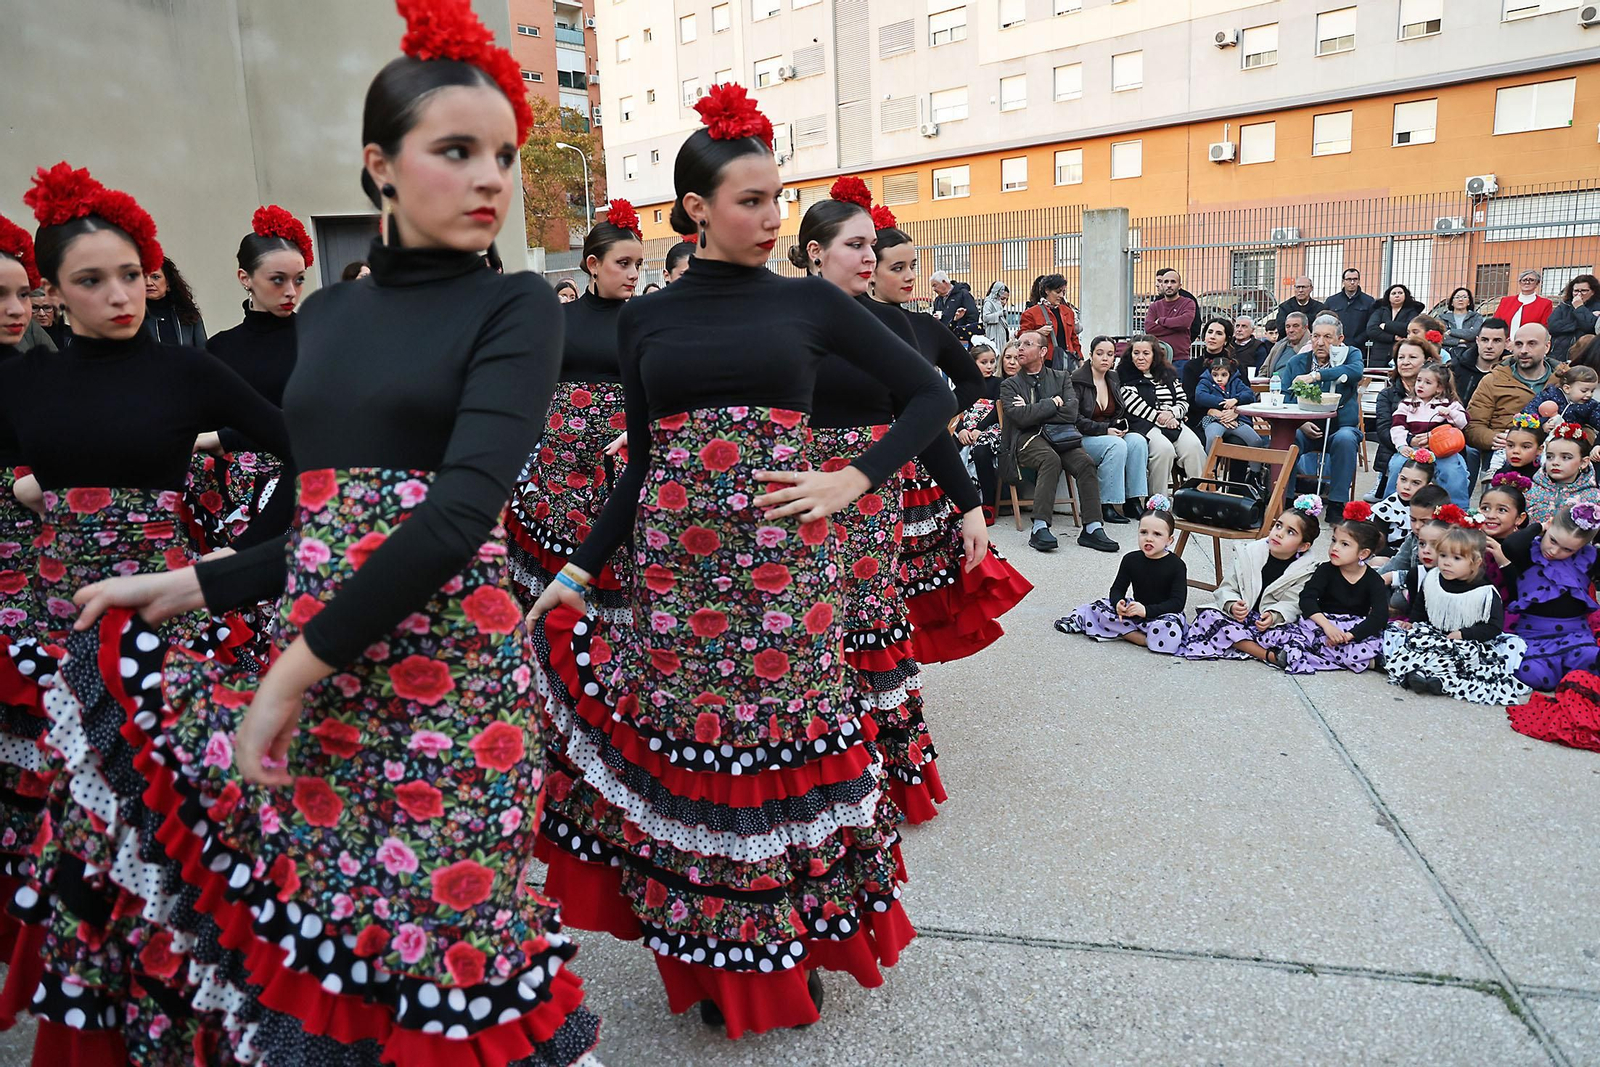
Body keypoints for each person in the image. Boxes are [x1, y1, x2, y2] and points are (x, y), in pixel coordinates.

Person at [38, 12, 612, 1062]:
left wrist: (288, 672)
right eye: (456, 150)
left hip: (447, 685)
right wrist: (188, 586)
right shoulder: (331, 321)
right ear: (379, 167)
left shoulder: (518, 305)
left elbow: (451, 517)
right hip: (328, 674)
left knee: (450, 951)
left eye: (502, 155)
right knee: (344, 942)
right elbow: (325, 526)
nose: (490, 178)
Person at [527, 82, 952, 1036]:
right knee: (697, 764)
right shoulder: (648, 319)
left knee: (780, 756)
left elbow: (929, 394)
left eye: (776, 197)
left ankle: (785, 954)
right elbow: (641, 462)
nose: (770, 217)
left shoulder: (810, 304)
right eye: (751, 201)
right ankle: (714, 963)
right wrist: (578, 570)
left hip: (786, 578)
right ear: (696, 211)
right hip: (673, 579)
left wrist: (853, 478)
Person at [0, 162, 297, 1060]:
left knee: (182, 821)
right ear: (52, 293)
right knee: (85, 837)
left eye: (131, 273)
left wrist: (247, 555)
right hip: (59, 635)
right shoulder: (20, 385)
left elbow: (310, 450)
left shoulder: (186, 373)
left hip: (169, 633)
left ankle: (204, 1017)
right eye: (91, 280)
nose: (119, 293)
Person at [792, 183, 1005, 822]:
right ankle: (812, 783)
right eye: (854, 245)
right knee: (802, 637)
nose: (869, 257)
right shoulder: (780, 317)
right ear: (812, 253)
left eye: (870, 246)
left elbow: (925, 419)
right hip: (793, 495)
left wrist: (968, 504)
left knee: (866, 630)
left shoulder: (891, 325)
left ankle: (875, 782)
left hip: (867, 494)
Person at [871, 225, 1030, 662]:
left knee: (914, 575)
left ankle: (897, 667)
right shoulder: (852, 321)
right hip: (867, 470)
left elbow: (973, 381)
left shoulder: (925, 326)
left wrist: (932, 415)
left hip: (920, 463)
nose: (909, 276)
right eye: (897, 267)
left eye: (913, 266)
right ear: (870, 268)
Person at [506, 200, 641, 618]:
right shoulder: (557, 319)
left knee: (616, 556)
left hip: (621, 462)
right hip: (560, 469)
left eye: (638, 263)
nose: (635, 273)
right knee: (558, 571)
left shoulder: (645, 320)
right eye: (624, 263)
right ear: (593, 264)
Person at [203, 204, 311, 542]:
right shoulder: (220, 348)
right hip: (229, 497)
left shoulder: (319, 338)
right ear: (244, 278)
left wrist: (222, 438)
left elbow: (317, 420)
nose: (291, 292)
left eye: (299, 280)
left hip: (303, 489)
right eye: (278, 280)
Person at [0, 214, 48, 949]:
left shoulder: (41, 372)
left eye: (21, 293)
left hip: (33, 577)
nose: (14, 308)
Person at [1001, 329, 1119, 552]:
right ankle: (1040, 527)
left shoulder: (1061, 377)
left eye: (1027, 344)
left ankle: (1092, 528)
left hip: (1061, 436)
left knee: (1085, 463)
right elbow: (1019, 418)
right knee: (1050, 459)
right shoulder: (1010, 385)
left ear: (1043, 351)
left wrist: (1033, 409)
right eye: (1019, 344)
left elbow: (1071, 413)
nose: (1020, 349)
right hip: (1027, 439)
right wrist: (1052, 403)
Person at [1383, 525, 1529, 703]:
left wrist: (1464, 634)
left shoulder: (1485, 592)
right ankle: (1419, 674)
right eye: (1443, 555)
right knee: (1412, 640)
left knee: (1464, 656)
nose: (1446, 562)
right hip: (1435, 633)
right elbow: (1421, 605)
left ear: (1475, 562)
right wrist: (1414, 622)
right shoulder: (1433, 578)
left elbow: (1493, 627)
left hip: (1466, 639)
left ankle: (1441, 680)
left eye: (1457, 558)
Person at [1177, 497, 1322, 664]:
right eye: (1278, 525)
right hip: (1239, 618)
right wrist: (1232, 604)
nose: (1279, 533)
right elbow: (1227, 587)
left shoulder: (1304, 570)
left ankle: (1239, 644)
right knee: (1209, 617)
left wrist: (1274, 615)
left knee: (1298, 637)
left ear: (1303, 546)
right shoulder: (1249, 553)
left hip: (1268, 624)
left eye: (1290, 532)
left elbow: (1293, 602)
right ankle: (1267, 655)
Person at [1261, 504, 1389, 673]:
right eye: (1334, 541)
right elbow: (1307, 599)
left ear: (1363, 554)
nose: (1335, 548)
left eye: (1345, 544)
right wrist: (1327, 626)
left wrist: (1350, 635)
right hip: (1322, 623)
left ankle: (1356, 656)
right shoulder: (1326, 570)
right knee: (1288, 637)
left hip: (1353, 628)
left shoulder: (1373, 580)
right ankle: (1364, 660)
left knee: (1384, 641)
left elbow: (1380, 616)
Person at [1054, 498, 1186, 651]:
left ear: (1169, 540)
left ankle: (1131, 635)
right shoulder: (1131, 559)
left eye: (1157, 534)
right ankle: (1137, 636)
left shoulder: (1176, 565)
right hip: (1134, 612)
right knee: (1096, 609)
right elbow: (1117, 589)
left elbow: (1177, 603)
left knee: (1171, 631)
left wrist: (1147, 611)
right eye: (1144, 532)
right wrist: (1118, 604)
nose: (1149, 538)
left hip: (1162, 616)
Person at [1501, 503, 1600, 692]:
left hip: (1575, 634)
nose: (1554, 551)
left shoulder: (1587, 559)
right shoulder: (1529, 552)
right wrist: (1540, 527)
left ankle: (1570, 671)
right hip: (1534, 633)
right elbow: (1509, 545)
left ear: (1579, 548)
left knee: (1591, 657)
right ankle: (1563, 673)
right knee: (1534, 676)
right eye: (1553, 540)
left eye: (1567, 549)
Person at [1276, 314, 1365, 519]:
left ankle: (1336, 503)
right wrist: (1300, 423)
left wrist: (1317, 375)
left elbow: (1355, 372)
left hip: (1340, 426)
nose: (1320, 342)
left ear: (1340, 340)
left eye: (1328, 337)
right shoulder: (1297, 362)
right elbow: (1285, 396)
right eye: (1316, 336)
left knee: (1345, 439)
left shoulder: (1350, 355)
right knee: (1288, 439)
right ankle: (1286, 500)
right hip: (1307, 427)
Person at [1117, 333, 1206, 499]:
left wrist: (1172, 413)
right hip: (1144, 425)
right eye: (1136, 353)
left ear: (1154, 355)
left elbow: (1183, 401)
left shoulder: (1168, 375)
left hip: (1173, 421)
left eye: (1146, 353)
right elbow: (1134, 405)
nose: (1140, 358)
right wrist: (1163, 418)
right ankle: (1158, 501)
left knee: (1194, 447)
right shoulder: (1124, 377)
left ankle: (1197, 499)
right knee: (1164, 450)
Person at [1072, 335, 1148, 524]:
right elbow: (1074, 419)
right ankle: (1107, 505)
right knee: (1116, 445)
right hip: (1084, 436)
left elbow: (1118, 411)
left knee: (1137, 441)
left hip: (1109, 433)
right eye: (1100, 354)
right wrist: (1105, 429)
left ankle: (1133, 501)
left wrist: (1120, 426)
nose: (1105, 358)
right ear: (1090, 355)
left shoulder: (1113, 377)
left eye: (1110, 354)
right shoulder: (1077, 380)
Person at [1467, 323, 1560, 470]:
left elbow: (1587, 420)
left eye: (1532, 344)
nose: (1523, 350)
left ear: (1547, 347)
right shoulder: (1493, 380)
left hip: (1557, 456)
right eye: (1518, 344)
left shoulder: (1565, 380)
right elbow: (1473, 426)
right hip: (1505, 454)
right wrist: (1493, 438)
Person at [1388, 356, 1470, 506]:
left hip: (1442, 450)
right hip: (1414, 449)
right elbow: (1397, 427)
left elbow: (1463, 423)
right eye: (1419, 380)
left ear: (1439, 387)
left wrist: (1449, 413)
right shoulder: (1407, 404)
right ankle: (1391, 504)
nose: (1420, 385)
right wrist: (1402, 444)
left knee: (1452, 471)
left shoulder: (1449, 404)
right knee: (1397, 465)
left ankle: (1458, 508)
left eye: (1427, 382)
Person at [1366, 337, 1425, 500]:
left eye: (1412, 357)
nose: (1405, 362)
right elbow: (1384, 430)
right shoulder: (1387, 394)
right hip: (1399, 448)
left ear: (1427, 361)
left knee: (1454, 468)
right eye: (1401, 357)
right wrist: (1410, 440)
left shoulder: (1441, 392)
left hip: (1433, 446)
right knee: (1399, 463)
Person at [1378, 483, 1452, 608]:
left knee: (1398, 599)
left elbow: (1433, 574)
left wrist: (1395, 577)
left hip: (1436, 593)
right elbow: (1397, 562)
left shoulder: (1448, 541)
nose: (1417, 526)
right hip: (1411, 583)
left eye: (1425, 521)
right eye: (1413, 520)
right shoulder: (1414, 536)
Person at [958, 335, 1003, 521]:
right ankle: (957, 501)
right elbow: (955, 408)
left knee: (981, 450)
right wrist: (961, 429)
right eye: (984, 362)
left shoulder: (1000, 383)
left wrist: (980, 428)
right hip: (966, 428)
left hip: (990, 428)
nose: (990, 366)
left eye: (992, 362)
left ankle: (988, 504)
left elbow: (996, 410)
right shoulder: (965, 384)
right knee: (947, 448)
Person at [1527, 422, 1600, 524]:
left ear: (1583, 462)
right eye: (1550, 457)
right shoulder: (1530, 490)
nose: (1555, 463)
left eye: (1566, 457)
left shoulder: (1594, 497)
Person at [1196, 352, 1266, 452]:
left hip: (1236, 420)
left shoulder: (1235, 382)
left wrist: (1236, 400)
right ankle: (1210, 467)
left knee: (1256, 441)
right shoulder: (1205, 382)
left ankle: (1256, 468)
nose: (1219, 379)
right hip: (1214, 419)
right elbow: (1200, 396)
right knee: (1213, 439)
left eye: (1224, 375)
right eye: (1215, 375)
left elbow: (1249, 394)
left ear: (1230, 374)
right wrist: (1224, 403)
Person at [1182, 316, 1239, 430]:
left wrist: (1236, 411)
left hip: (1233, 417)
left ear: (1226, 340)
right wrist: (1209, 411)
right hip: (1201, 418)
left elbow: (1246, 393)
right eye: (1210, 332)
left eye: (1218, 333)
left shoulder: (1234, 365)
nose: (1212, 336)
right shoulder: (1192, 366)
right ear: (1204, 336)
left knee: (1239, 440)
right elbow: (1189, 398)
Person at [1373, 457, 1436, 557]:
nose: (1407, 487)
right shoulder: (1386, 508)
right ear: (1397, 478)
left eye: (1415, 483)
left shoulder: (1433, 508)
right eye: (1403, 479)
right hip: (1390, 557)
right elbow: (1377, 546)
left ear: (1429, 486)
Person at [1522, 363, 1600, 442]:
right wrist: (1542, 423)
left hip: (1568, 441)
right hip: (1542, 437)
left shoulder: (1590, 405)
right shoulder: (1550, 394)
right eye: (1584, 391)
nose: (1589, 395)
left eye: (1592, 391)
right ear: (1567, 388)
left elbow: (1597, 418)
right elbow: (1529, 411)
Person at [1017, 273, 1080, 369]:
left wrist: (1080, 358)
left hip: (1068, 361)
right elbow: (1021, 337)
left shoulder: (1068, 312)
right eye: (1058, 292)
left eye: (1063, 292)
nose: (1061, 295)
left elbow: (1074, 338)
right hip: (1045, 362)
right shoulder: (1031, 313)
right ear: (1047, 291)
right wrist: (1038, 332)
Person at [141, 255, 207, 346]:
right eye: (143, 277)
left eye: (155, 277)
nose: (148, 283)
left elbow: (203, 353)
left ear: (168, 282)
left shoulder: (188, 314)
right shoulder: (134, 317)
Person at [1145, 268, 1198, 370]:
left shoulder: (1188, 303)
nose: (1169, 285)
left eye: (1173, 282)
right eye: (1166, 282)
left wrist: (1161, 321)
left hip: (1180, 360)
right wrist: (1176, 327)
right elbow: (1149, 328)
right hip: (1158, 360)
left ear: (1180, 286)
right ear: (1162, 285)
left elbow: (1185, 322)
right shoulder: (1154, 306)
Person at [1452, 316, 1508, 411]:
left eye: (1497, 340)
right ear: (1477, 340)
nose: (1489, 346)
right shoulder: (1456, 367)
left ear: (1506, 343)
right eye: (1485, 340)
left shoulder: (1512, 371)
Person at [1365, 283, 1423, 369]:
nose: (1397, 296)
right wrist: (1393, 337)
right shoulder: (1380, 311)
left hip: (1401, 353)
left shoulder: (1412, 312)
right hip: (1379, 355)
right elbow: (1371, 330)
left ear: (1405, 295)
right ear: (1388, 296)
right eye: (1393, 293)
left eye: (1400, 293)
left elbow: (1408, 328)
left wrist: (1386, 326)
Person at [1548, 274, 1600, 363]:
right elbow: (1553, 327)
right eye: (1576, 291)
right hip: (1558, 355)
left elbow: (1589, 327)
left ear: (1593, 291)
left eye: (1584, 291)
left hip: (1584, 356)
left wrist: (1579, 307)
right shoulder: (1564, 306)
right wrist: (1579, 323)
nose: (1579, 294)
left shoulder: (1598, 306)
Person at [1323, 268, 1375, 352]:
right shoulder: (1331, 301)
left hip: (1359, 347)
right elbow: (1325, 323)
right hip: (1335, 345)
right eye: (1349, 279)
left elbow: (1370, 326)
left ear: (1359, 281)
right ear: (1343, 281)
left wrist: (1356, 341)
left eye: (1355, 279)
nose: (1352, 282)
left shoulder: (1368, 301)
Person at [1494, 269, 1554, 334]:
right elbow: (1495, 323)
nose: (1527, 282)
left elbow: (1544, 328)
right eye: (1524, 280)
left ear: (1537, 284)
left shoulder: (1545, 304)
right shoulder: (1505, 301)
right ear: (1520, 282)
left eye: (1531, 280)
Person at [930, 269, 979, 342]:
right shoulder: (937, 300)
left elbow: (973, 315)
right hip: (943, 338)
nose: (933, 289)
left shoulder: (963, 294)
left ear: (944, 282)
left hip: (960, 339)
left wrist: (966, 334)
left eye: (935, 285)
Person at [1439, 286, 1484, 362]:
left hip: (1470, 352)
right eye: (1457, 297)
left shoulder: (1476, 317)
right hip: (1448, 352)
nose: (1460, 299)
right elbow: (1441, 337)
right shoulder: (1442, 318)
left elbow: (1474, 334)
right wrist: (1462, 340)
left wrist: (1451, 331)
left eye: (1464, 297)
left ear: (1469, 302)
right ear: (1452, 302)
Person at [1260, 311, 1308, 380]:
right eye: (1288, 326)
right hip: (1273, 387)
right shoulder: (1278, 346)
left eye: (1295, 326)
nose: (1291, 330)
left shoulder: (1311, 347)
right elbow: (1264, 371)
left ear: (1305, 327)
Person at [980, 280, 1010, 350]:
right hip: (993, 334)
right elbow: (985, 317)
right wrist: (999, 314)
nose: (1004, 302)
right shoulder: (989, 303)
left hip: (1001, 334)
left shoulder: (998, 304)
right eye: (1002, 298)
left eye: (1007, 299)